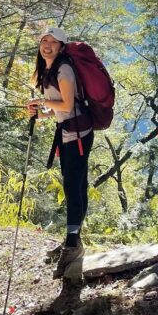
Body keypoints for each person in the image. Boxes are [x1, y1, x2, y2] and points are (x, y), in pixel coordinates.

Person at [28, 27, 94, 281]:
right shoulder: (48, 71)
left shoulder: (63, 69)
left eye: (53, 42)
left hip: (77, 135)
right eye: (44, 40)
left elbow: (66, 104)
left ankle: (72, 244)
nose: (47, 45)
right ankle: (73, 240)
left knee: (73, 186)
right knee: (75, 186)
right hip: (68, 132)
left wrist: (42, 104)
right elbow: (61, 109)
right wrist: (42, 113)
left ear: (62, 47)